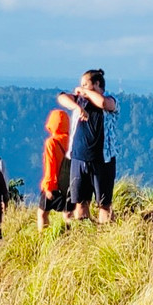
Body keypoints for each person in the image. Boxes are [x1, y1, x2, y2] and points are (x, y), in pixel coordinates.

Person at [58, 69, 118, 222]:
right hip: (79, 158)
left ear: (96, 84)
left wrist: (84, 92)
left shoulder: (111, 100)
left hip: (103, 160)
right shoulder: (80, 100)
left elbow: (104, 103)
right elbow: (62, 98)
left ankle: (107, 235)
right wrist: (78, 107)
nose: (81, 87)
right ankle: (85, 237)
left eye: (85, 84)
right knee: (80, 203)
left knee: (104, 205)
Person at [38, 108, 71, 230]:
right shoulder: (72, 141)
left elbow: (50, 165)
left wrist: (48, 188)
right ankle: (71, 238)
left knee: (42, 214)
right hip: (68, 184)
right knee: (68, 214)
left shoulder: (51, 142)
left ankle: (42, 238)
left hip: (54, 184)